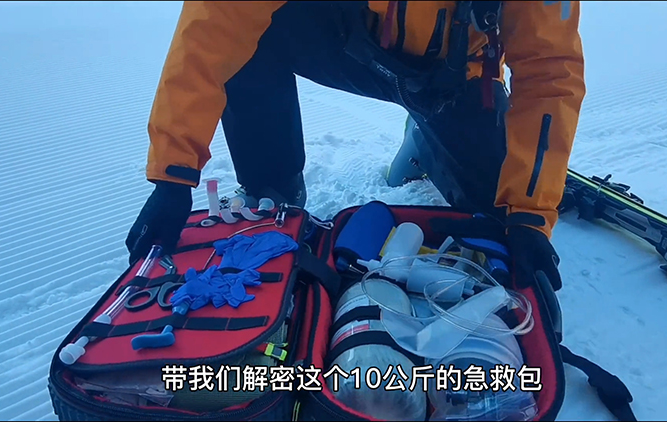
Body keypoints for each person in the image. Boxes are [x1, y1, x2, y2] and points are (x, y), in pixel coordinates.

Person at [126, 1, 585, 291]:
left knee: (498, 217)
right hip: (357, 42)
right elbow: (215, 23)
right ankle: (274, 186)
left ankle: (427, 138)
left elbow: (548, 73)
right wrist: (174, 174)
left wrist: (529, 212)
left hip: (454, 79)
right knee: (250, 33)